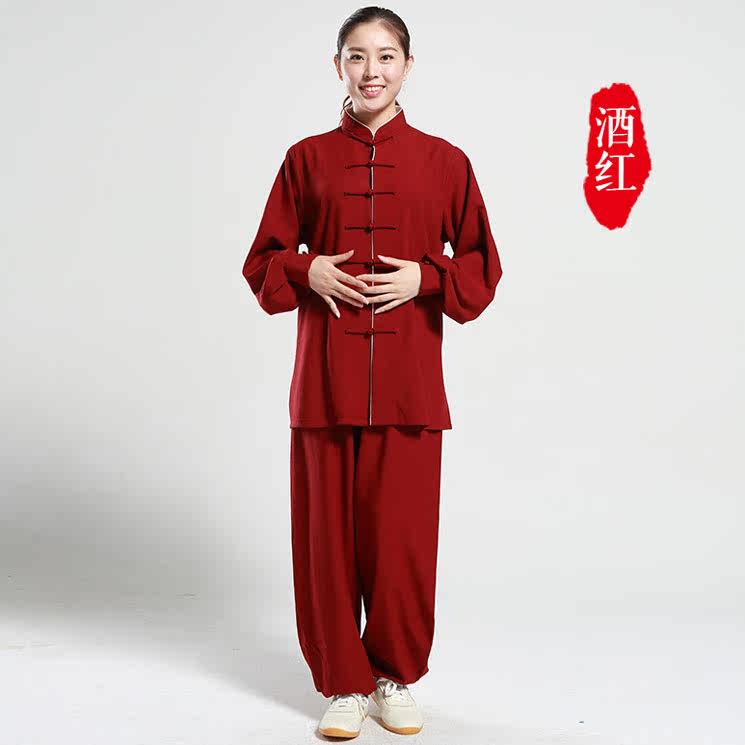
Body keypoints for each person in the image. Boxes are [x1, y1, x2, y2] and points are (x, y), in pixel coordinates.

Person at [242, 6, 503, 739]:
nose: (371, 70)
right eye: (356, 56)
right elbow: (261, 264)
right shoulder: (304, 159)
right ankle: (344, 684)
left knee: (401, 546)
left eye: (385, 56)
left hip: (410, 386)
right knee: (326, 546)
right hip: (324, 385)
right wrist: (308, 268)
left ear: (407, 67)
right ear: (338, 67)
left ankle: (393, 676)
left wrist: (427, 276)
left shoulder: (445, 162)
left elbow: (482, 268)